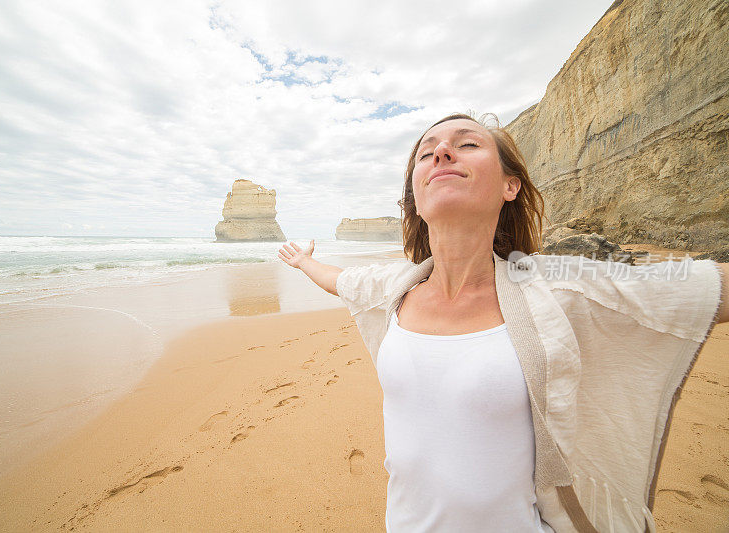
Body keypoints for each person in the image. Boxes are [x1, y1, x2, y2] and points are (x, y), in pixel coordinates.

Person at [277, 113, 729, 532]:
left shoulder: (555, 288)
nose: (442, 152)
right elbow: (341, 281)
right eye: (426, 150)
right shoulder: (395, 287)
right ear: (414, 197)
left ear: (509, 187)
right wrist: (302, 262)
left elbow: (693, 289)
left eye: (467, 143)